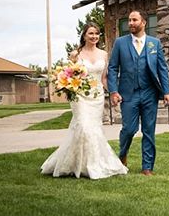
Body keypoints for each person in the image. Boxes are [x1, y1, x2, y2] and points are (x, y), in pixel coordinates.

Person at [41, 23, 128, 179]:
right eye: (90, 33)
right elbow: (68, 75)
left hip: (97, 96)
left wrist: (114, 92)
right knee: (82, 126)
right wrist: (67, 88)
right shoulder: (76, 54)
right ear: (84, 35)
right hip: (80, 95)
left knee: (93, 129)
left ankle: (90, 164)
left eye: (96, 34)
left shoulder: (104, 54)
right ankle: (77, 164)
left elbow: (104, 78)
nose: (94, 36)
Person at [107, 10, 169, 176]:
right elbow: (113, 68)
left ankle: (147, 167)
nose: (130, 23)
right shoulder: (120, 43)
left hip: (150, 93)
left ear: (144, 22)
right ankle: (123, 153)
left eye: (134, 20)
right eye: (129, 20)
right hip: (128, 93)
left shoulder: (154, 43)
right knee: (129, 129)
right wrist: (113, 90)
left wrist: (166, 91)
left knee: (149, 131)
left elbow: (162, 69)